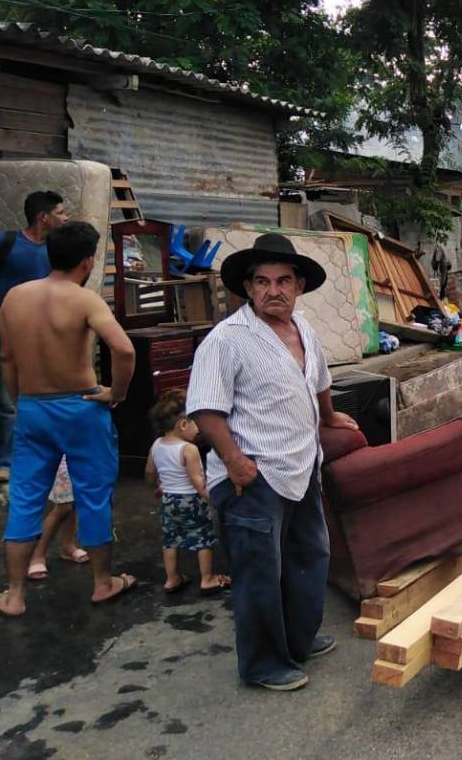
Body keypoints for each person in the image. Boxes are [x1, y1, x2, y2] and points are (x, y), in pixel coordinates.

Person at [187, 232, 359, 692]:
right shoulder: (226, 340)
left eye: (284, 281)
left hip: (300, 466)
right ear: (248, 288)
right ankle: (263, 663)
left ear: (299, 286)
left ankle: (298, 640)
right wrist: (234, 460)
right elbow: (205, 408)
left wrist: (329, 415)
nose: (273, 290)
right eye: (262, 282)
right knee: (259, 573)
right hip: (252, 475)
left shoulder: (303, 330)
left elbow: (319, 378)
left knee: (309, 556)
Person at [0, 221, 137, 618]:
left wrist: (22, 401)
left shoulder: (14, 298)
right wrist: (116, 393)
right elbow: (123, 350)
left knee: (25, 499)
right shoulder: (85, 300)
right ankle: (104, 583)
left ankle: (15, 594)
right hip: (82, 407)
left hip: (34, 407)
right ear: (88, 261)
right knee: (92, 496)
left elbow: (6, 359)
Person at [0, 190, 69, 484]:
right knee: (8, 400)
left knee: (49, 394)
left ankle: (41, 459)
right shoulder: (5, 243)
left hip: (50, 332)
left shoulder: (57, 249)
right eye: (60, 212)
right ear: (44, 217)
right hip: (13, 333)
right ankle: (1, 462)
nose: (65, 218)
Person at [145, 389, 231, 596]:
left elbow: (149, 471)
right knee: (203, 538)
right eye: (195, 422)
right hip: (190, 500)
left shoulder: (156, 445)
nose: (198, 428)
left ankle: (172, 578)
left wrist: (156, 487)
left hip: (169, 501)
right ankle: (207, 578)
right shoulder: (188, 449)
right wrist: (214, 497)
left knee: (171, 539)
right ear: (183, 424)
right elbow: (196, 480)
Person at [25, 459, 89, 580]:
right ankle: (37, 555)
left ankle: (68, 546)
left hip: (77, 454)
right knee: (63, 506)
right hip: (60, 456)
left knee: (72, 503)